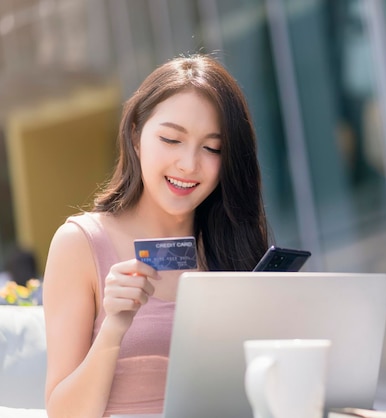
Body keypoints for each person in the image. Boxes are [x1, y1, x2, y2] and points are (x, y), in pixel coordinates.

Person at [42, 54, 269, 418]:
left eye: (212, 148)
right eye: (171, 139)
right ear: (135, 135)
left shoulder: (233, 249)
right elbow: (62, 412)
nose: (189, 164)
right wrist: (114, 326)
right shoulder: (80, 244)